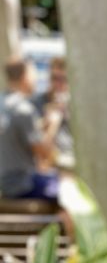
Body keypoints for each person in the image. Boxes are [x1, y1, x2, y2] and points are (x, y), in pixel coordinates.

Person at [0, 56, 66, 203]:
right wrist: (53, 124)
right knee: (68, 191)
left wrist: (43, 125)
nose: (36, 80)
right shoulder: (24, 109)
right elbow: (43, 153)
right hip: (23, 185)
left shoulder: (3, 103)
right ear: (25, 76)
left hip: (4, 183)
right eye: (34, 75)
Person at [31, 55, 74, 162]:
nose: (58, 84)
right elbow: (30, 135)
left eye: (63, 79)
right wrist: (48, 120)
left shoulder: (76, 105)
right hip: (48, 159)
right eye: (54, 78)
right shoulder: (38, 101)